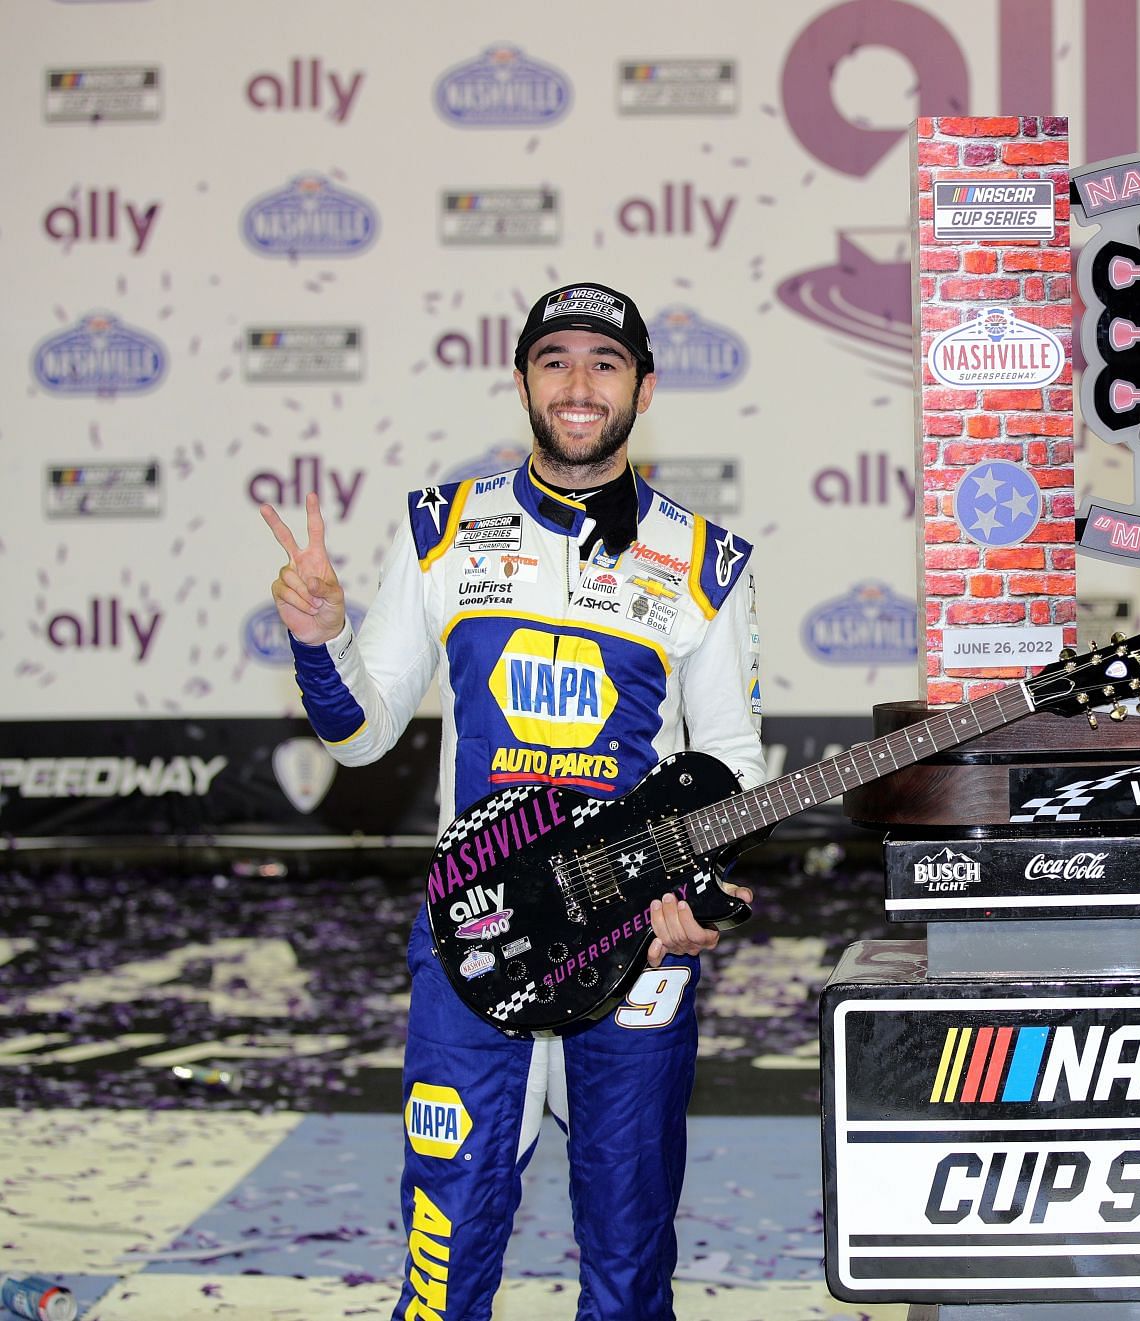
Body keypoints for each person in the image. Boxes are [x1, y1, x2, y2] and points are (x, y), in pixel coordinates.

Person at [261, 281, 764, 1321]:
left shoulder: (705, 562)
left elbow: (729, 762)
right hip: (472, 932)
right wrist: (318, 642)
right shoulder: (446, 530)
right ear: (525, 380)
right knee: (445, 1261)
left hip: (635, 950)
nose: (580, 385)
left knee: (628, 1269)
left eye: (605, 363)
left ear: (644, 388)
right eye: (556, 361)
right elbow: (361, 733)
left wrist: (696, 898)